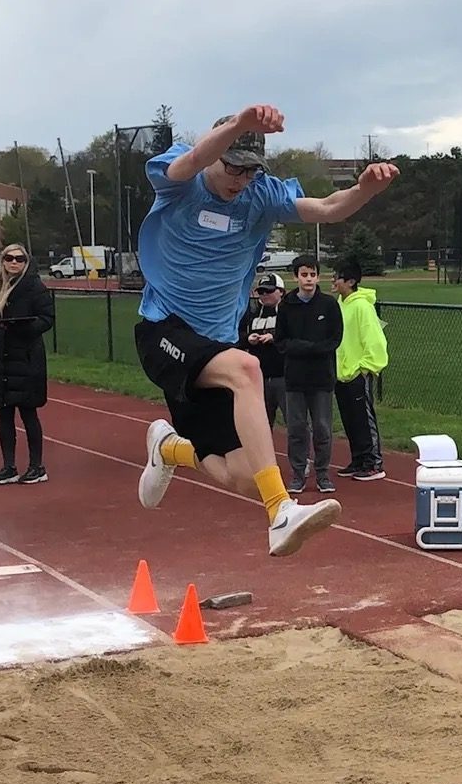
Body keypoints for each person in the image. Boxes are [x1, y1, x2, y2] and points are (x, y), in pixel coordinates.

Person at [133, 104, 398, 557]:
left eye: (249, 170)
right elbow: (190, 163)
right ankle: (281, 511)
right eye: (232, 167)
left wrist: (364, 191)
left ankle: (169, 449)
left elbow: (329, 208)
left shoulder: (261, 196)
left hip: (215, 341)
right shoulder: (182, 183)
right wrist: (239, 124)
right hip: (165, 330)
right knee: (248, 369)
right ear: (214, 155)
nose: (239, 179)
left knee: (241, 474)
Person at [0, 243, 55, 485]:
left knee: (28, 412)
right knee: (4, 414)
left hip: (26, 357)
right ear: (3, 261)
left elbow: (47, 318)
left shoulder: (34, 287)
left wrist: (23, 328)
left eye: (19, 258)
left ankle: (37, 467)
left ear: (26, 262)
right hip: (1, 358)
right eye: (9, 258)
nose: (14, 262)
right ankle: (9, 467)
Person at [275, 255, 341, 493]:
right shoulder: (286, 306)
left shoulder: (329, 305)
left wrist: (313, 349)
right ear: (296, 277)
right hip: (295, 378)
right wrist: (303, 348)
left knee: (323, 428)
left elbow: (334, 339)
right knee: (296, 428)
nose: (309, 279)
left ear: (317, 276)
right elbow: (281, 341)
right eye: (304, 275)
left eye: (312, 274)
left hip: (322, 378)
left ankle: (323, 474)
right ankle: (297, 474)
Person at [332, 258, 389, 480]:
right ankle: (358, 459)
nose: (334, 281)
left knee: (364, 418)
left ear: (351, 281)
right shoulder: (340, 304)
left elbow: (375, 340)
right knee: (350, 419)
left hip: (358, 372)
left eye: (338, 277)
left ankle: (373, 462)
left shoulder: (363, 306)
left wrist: (365, 368)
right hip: (341, 373)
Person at [236, 271, 287, 427]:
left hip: (284, 377)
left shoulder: (288, 312)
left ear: (281, 292)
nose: (264, 295)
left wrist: (273, 338)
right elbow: (236, 336)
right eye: (261, 291)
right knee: (261, 425)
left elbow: (296, 336)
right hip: (259, 378)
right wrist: (248, 340)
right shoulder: (252, 313)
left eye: (269, 291)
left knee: (295, 424)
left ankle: (300, 453)